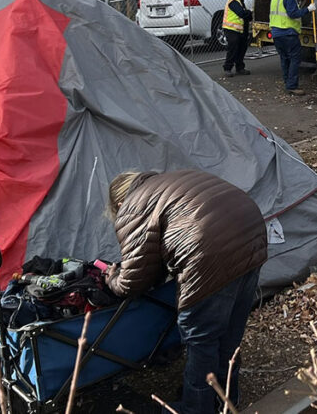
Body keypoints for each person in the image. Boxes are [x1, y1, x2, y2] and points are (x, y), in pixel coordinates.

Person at [105, 170, 267, 413]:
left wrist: (112, 279)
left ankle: (197, 408)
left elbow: (134, 279)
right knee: (229, 333)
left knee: (201, 338)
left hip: (209, 252)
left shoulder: (132, 207)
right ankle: (228, 400)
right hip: (252, 235)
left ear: (119, 203)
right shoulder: (173, 179)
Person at [269, 0, 315, 95]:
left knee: (284, 59)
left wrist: (303, 1)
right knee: (295, 59)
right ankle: (292, 86)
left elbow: (287, 9)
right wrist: (308, 9)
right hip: (288, 33)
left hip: (276, 33)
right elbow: (293, 13)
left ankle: (287, 82)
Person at [222, 0, 252, 77]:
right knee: (233, 49)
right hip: (231, 29)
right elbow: (242, 13)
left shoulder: (239, 1)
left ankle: (240, 68)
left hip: (239, 30)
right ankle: (228, 68)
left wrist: (248, 14)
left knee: (241, 48)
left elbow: (246, 15)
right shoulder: (233, 1)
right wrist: (249, 12)